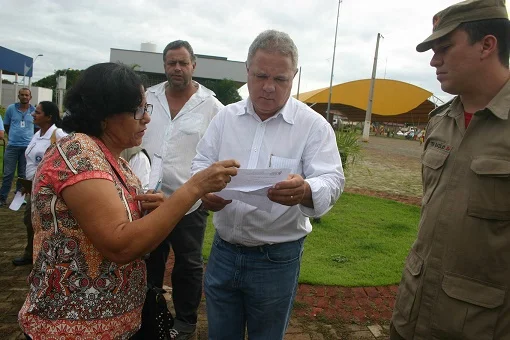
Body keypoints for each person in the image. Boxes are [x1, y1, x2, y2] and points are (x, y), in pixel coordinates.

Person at [18, 62, 239, 339]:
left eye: (146, 108)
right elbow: (120, 245)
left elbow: (137, 241)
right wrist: (194, 187)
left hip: (117, 324)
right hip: (73, 327)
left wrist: (154, 213)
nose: (146, 118)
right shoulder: (78, 155)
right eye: (138, 109)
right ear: (104, 114)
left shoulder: (119, 165)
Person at [191, 30, 345, 339]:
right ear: (246, 70)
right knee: (221, 333)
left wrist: (306, 189)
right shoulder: (225, 119)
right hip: (223, 252)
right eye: (261, 75)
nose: (269, 87)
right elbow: (200, 163)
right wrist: (204, 190)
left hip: (276, 259)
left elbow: (332, 178)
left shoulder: (313, 126)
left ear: (294, 76)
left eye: (281, 79)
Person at [390, 1, 510, 339]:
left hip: (482, 326)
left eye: (444, 48)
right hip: (412, 315)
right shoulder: (440, 122)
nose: (434, 61)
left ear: (487, 45)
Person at [141, 39, 224, 339]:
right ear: (164, 65)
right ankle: (147, 312)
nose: (177, 68)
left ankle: (185, 321)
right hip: (149, 198)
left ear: (193, 65)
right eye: (171, 63)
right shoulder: (147, 98)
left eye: (182, 62)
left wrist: (206, 193)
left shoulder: (212, 107)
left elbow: (222, 151)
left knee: (188, 263)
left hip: (189, 201)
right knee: (148, 258)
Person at [11, 101, 67, 266]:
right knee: (30, 220)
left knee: (36, 221)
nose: (33, 114)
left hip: (47, 189)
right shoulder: (37, 134)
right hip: (32, 186)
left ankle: (41, 256)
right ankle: (32, 253)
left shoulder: (58, 134)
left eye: (38, 112)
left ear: (49, 117)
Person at [0, 88, 35, 206]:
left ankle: (19, 199)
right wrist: (13, 136)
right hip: (12, 146)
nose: (24, 97)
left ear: (30, 97)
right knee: (8, 173)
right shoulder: (11, 109)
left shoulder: (34, 110)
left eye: (27, 95)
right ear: (18, 96)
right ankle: (2, 198)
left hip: (27, 147)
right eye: (22, 95)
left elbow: (36, 129)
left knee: (23, 174)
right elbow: (6, 125)